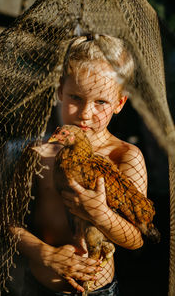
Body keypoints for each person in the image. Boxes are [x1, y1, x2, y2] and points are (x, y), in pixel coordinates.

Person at [9, 34, 147, 295]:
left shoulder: (125, 156)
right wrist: (47, 255)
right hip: (38, 286)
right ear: (60, 90)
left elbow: (136, 239)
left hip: (97, 291)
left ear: (119, 103)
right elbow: (8, 222)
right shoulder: (39, 153)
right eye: (75, 97)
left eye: (101, 102)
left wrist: (100, 213)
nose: (85, 114)